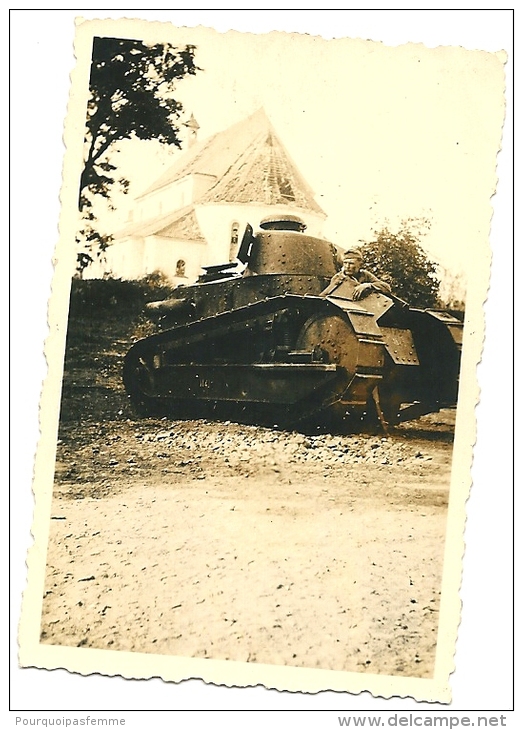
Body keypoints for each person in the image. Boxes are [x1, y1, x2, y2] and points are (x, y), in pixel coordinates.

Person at [321, 246, 392, 300]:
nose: (347, 266)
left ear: (360, 265)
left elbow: (387, 288)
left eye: (351, 263)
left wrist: (367, 285)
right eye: (345, 263)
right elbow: (326, 295)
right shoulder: (338, 278)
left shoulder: (365, 275)